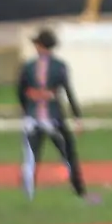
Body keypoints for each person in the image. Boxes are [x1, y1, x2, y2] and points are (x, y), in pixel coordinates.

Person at [17, 29, 98, 204]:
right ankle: (80, 192)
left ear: (40, 45)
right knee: (68, 154)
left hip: (32, 117)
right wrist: (77, 117)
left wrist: (26, 110)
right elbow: (68, 92)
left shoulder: (28, 66)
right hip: (53, 117)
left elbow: (20, 91)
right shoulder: (59, 66)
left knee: (31, 158)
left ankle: (27, 197)